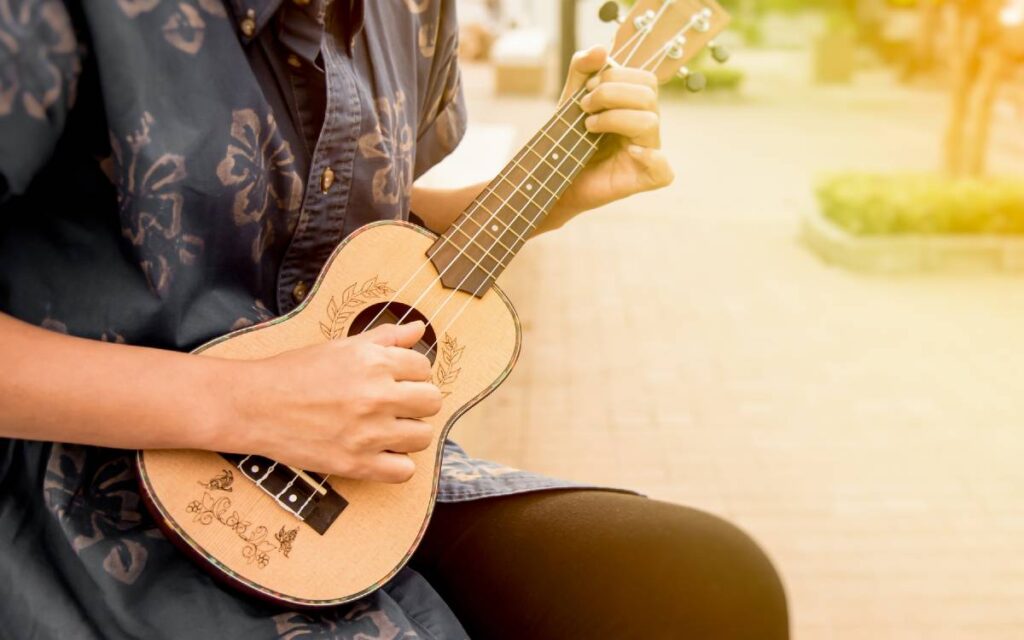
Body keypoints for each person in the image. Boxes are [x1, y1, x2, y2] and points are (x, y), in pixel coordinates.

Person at [0, 1, 788, 637]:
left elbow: (346, 228)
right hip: (83, 479)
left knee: (705, 584)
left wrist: (549, 194)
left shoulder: (411, 14)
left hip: (353, 471)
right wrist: (247, 403)